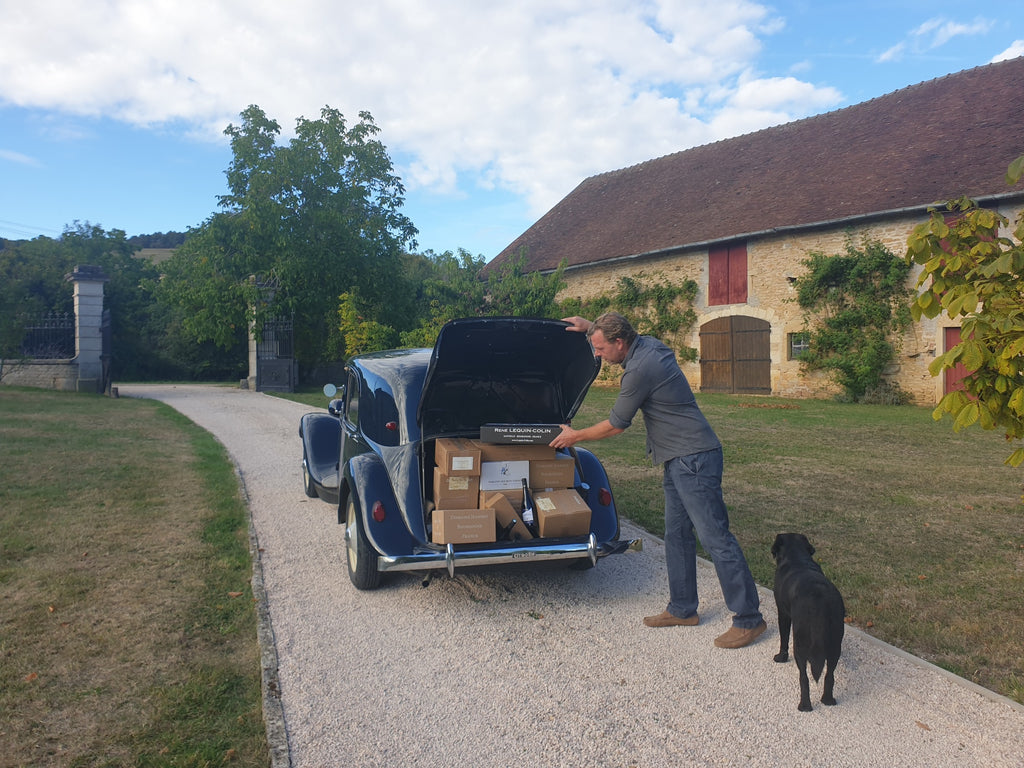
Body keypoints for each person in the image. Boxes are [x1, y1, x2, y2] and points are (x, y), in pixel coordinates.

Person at [550, 312, 766, 649]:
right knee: (676, 534)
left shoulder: (640, 370)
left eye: (601, 348)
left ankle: (749, 619)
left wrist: (573, 436)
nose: (598, 355)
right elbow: (611, 333)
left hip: (694, 459)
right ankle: (682, 609)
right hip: (678, 459)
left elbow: (616, 425)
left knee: (715, 538)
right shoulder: (647, 346)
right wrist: (590, 327)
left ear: (619, 343)